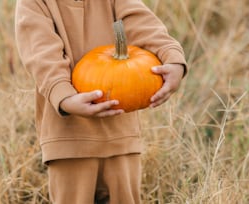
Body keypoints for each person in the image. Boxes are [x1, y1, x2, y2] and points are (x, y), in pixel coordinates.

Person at [15, 0, 187, 203]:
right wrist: (65, 96)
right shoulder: (34, 3)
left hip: (121, 135)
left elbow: (143, 25)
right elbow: (41, 54)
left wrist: (173, 58)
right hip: (69, 139)